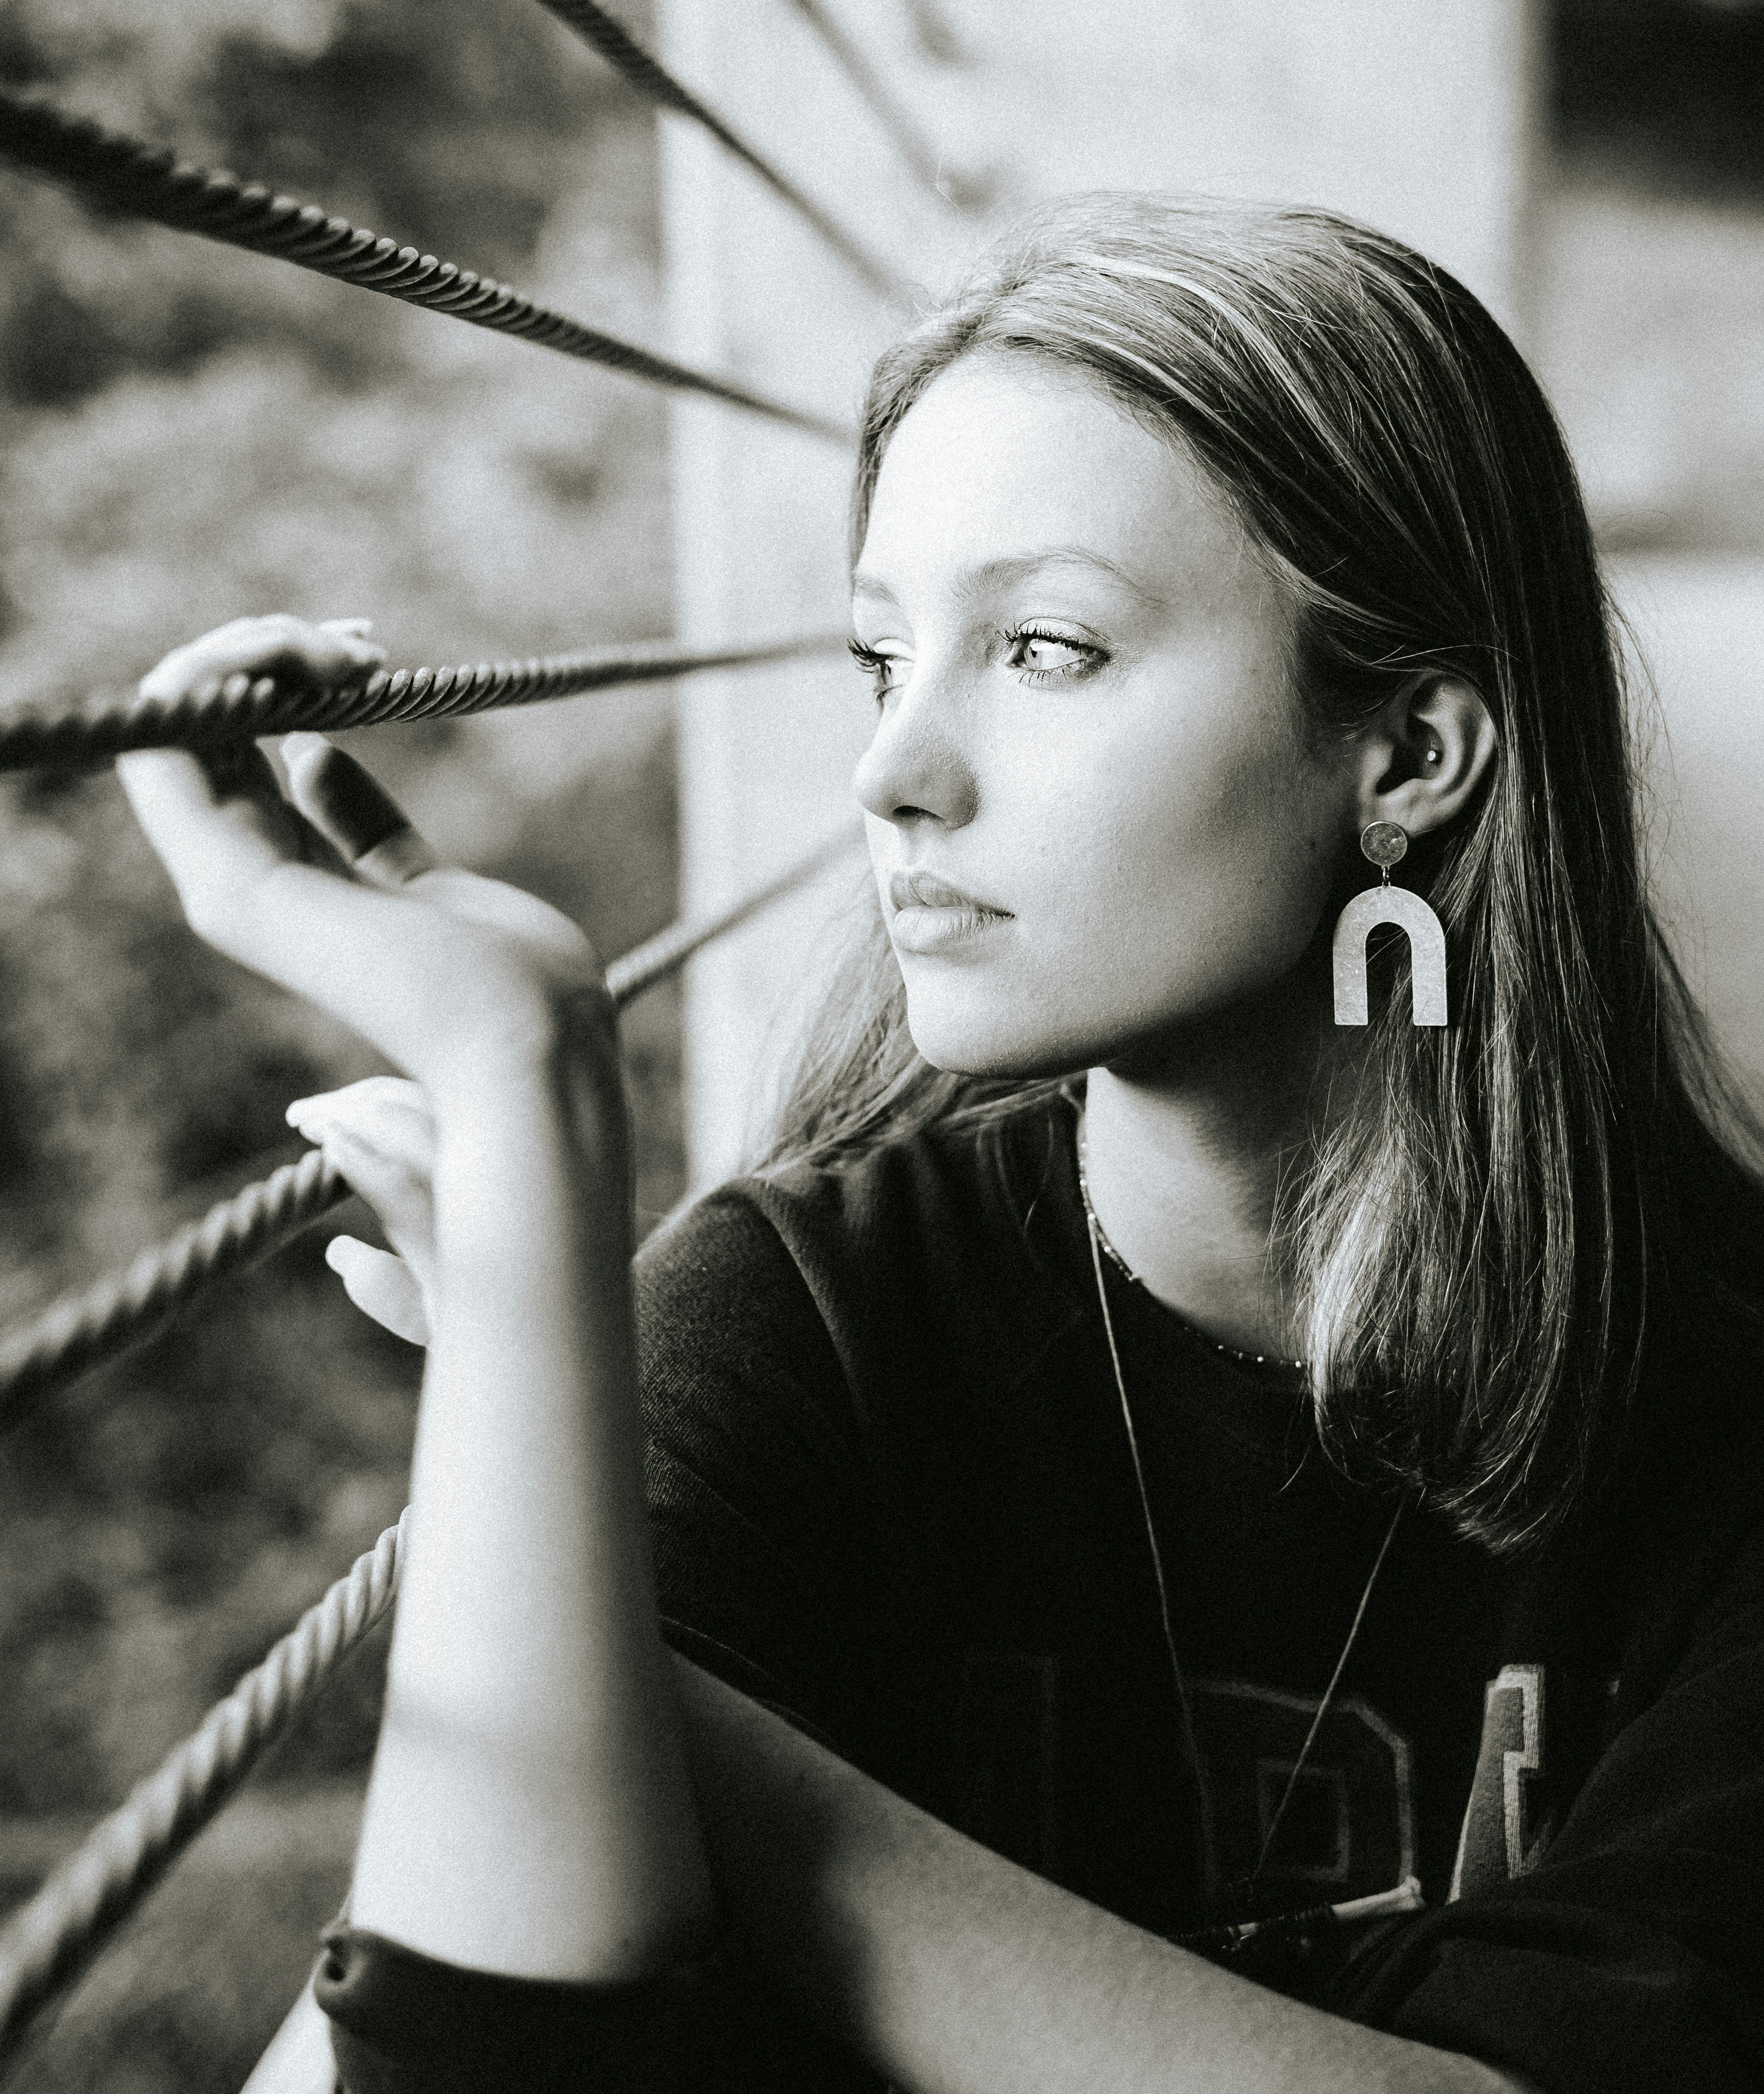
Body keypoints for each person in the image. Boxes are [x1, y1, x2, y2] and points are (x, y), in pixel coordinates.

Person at [122, 197, 1764, 2094]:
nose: (893, 769)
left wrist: (562, 1575)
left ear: (1412, 753)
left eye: (1046, 648)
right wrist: (521, 1093)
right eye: (881, 659)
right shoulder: (799, 1322)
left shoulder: (1722, 1412)